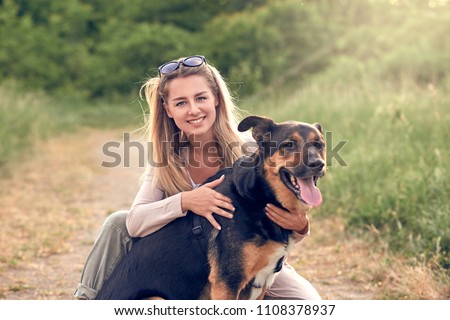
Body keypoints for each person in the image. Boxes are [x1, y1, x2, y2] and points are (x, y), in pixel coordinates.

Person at [74, 55, 321, 300]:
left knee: (308, 304)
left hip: (246, 253)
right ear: (168, 109)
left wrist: (301, 226)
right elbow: (135, 223)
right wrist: (185, 201)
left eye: (201, 98)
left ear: (216, 99)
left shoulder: (250, 151)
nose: (193, 110)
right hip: (188, 258)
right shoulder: (167, 158)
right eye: (181, 103)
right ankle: (86, 304)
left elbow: (277, 219)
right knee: (117, 222)